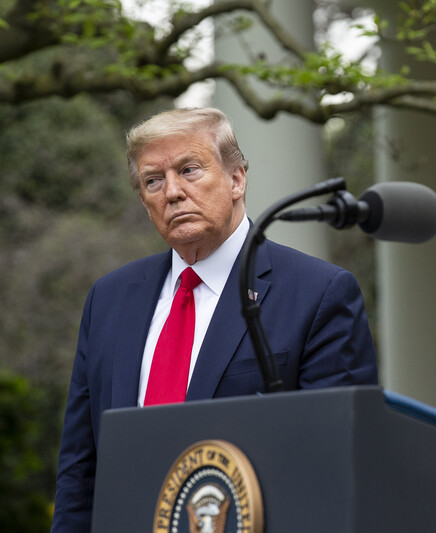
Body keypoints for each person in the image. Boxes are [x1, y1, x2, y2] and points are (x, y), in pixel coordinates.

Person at [51, 107, 378, 531]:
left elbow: (343, 469)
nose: (172, 192)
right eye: (153, 180)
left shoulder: (318, 294)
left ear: (237, 178)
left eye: (189, 170)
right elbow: (80, 468)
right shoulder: (109, 299)